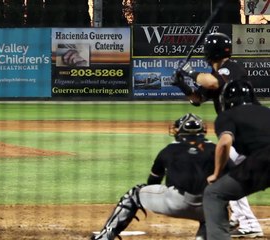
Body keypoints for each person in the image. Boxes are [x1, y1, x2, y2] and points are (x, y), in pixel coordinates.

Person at [172, 32, 263, 237]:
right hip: (242, 135)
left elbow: (212, 83)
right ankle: (240, 219)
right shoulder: (218, 73)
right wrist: (181, 84)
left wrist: (188, 70)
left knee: (228, 173)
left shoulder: (230, 68)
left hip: (249, 134)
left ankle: (248, 222)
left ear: (208, 53)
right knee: (227, 173)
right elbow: (197, 99)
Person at [91, 113, 219, 240]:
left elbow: (153, 181)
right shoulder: (215, 149)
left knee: (134, 194)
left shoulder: (169, 149)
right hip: (206, 206)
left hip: (174, 203)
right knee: (214, 213)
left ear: (178, 131)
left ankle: (104, 237)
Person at [203, 80, 269, 239]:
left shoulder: (227, 116)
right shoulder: (266, 111)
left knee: (213, 194)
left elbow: (225, 143)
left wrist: (217, 174)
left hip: (262, 161)